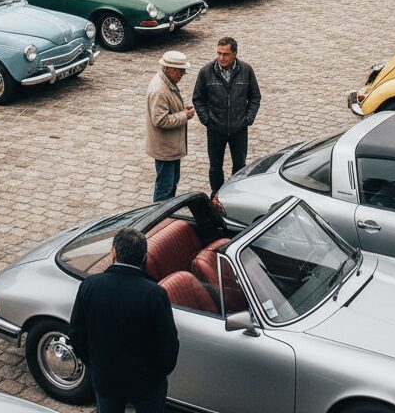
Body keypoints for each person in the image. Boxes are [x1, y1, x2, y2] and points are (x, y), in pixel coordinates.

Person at [69, 227, 179, 413]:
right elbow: (169, 344)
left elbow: (76, 334)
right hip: (146, 383)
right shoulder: (155, 294)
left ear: (114, 253)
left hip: (106, 378)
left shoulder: (90, 286)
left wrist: (95, 364)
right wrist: (158, 374)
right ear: (144, 257)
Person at [192, 37, 261, 194]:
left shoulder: (246, 70)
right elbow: (198, 99)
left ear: (235, 54)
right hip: (215, 129)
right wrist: (207, 120)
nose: (221, 58)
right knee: (215, 167)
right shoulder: (206, 72)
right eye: (219, 53)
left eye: (225, 54)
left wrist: (248, 119)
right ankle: (216, 196)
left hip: (239, 129)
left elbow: (255, 97)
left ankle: (235, 194)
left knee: (239, 165)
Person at [146, 50, 194, 202]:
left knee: (170, 184)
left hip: (170, 147)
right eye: (180, 71)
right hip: (165, 149)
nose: (182, 74)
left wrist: (180, 110)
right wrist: (184, 115)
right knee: (165, 189)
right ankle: (160, 220)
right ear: (169, 68)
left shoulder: (167, 82)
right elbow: (160, 120)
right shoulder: (160, 90)